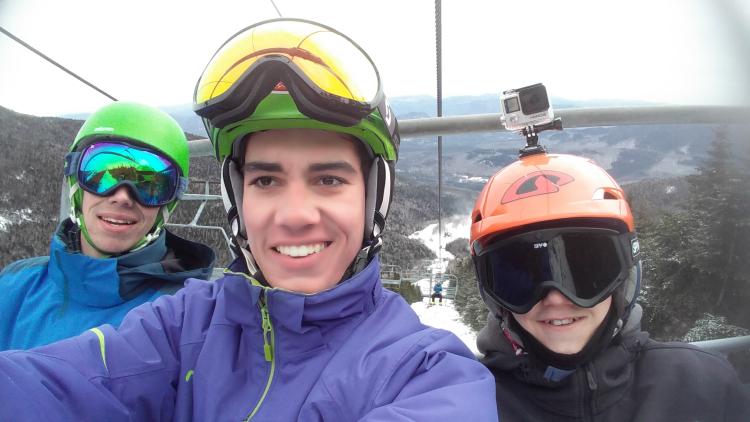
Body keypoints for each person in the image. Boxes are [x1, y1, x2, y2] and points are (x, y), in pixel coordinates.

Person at [0, 18, 496, 420]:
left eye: (328, 179)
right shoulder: (187, 323)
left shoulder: (429, 375)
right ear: (236, 201)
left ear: (374, 200)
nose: (296, 215)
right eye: (265, 180)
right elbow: (58, 384)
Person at [470, 151, 750, 421]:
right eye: (521, 276)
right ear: (495, 299)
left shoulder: (702, 384)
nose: (555, 298)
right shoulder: (469, 404)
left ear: (624, 279)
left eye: (586, 271)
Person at [0, 101, 216, 351]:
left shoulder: (186, 314)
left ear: (168, 204)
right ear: (75, 186)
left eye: (149, 185)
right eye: (101, 175)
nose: (122, 196)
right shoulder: (14, 286)